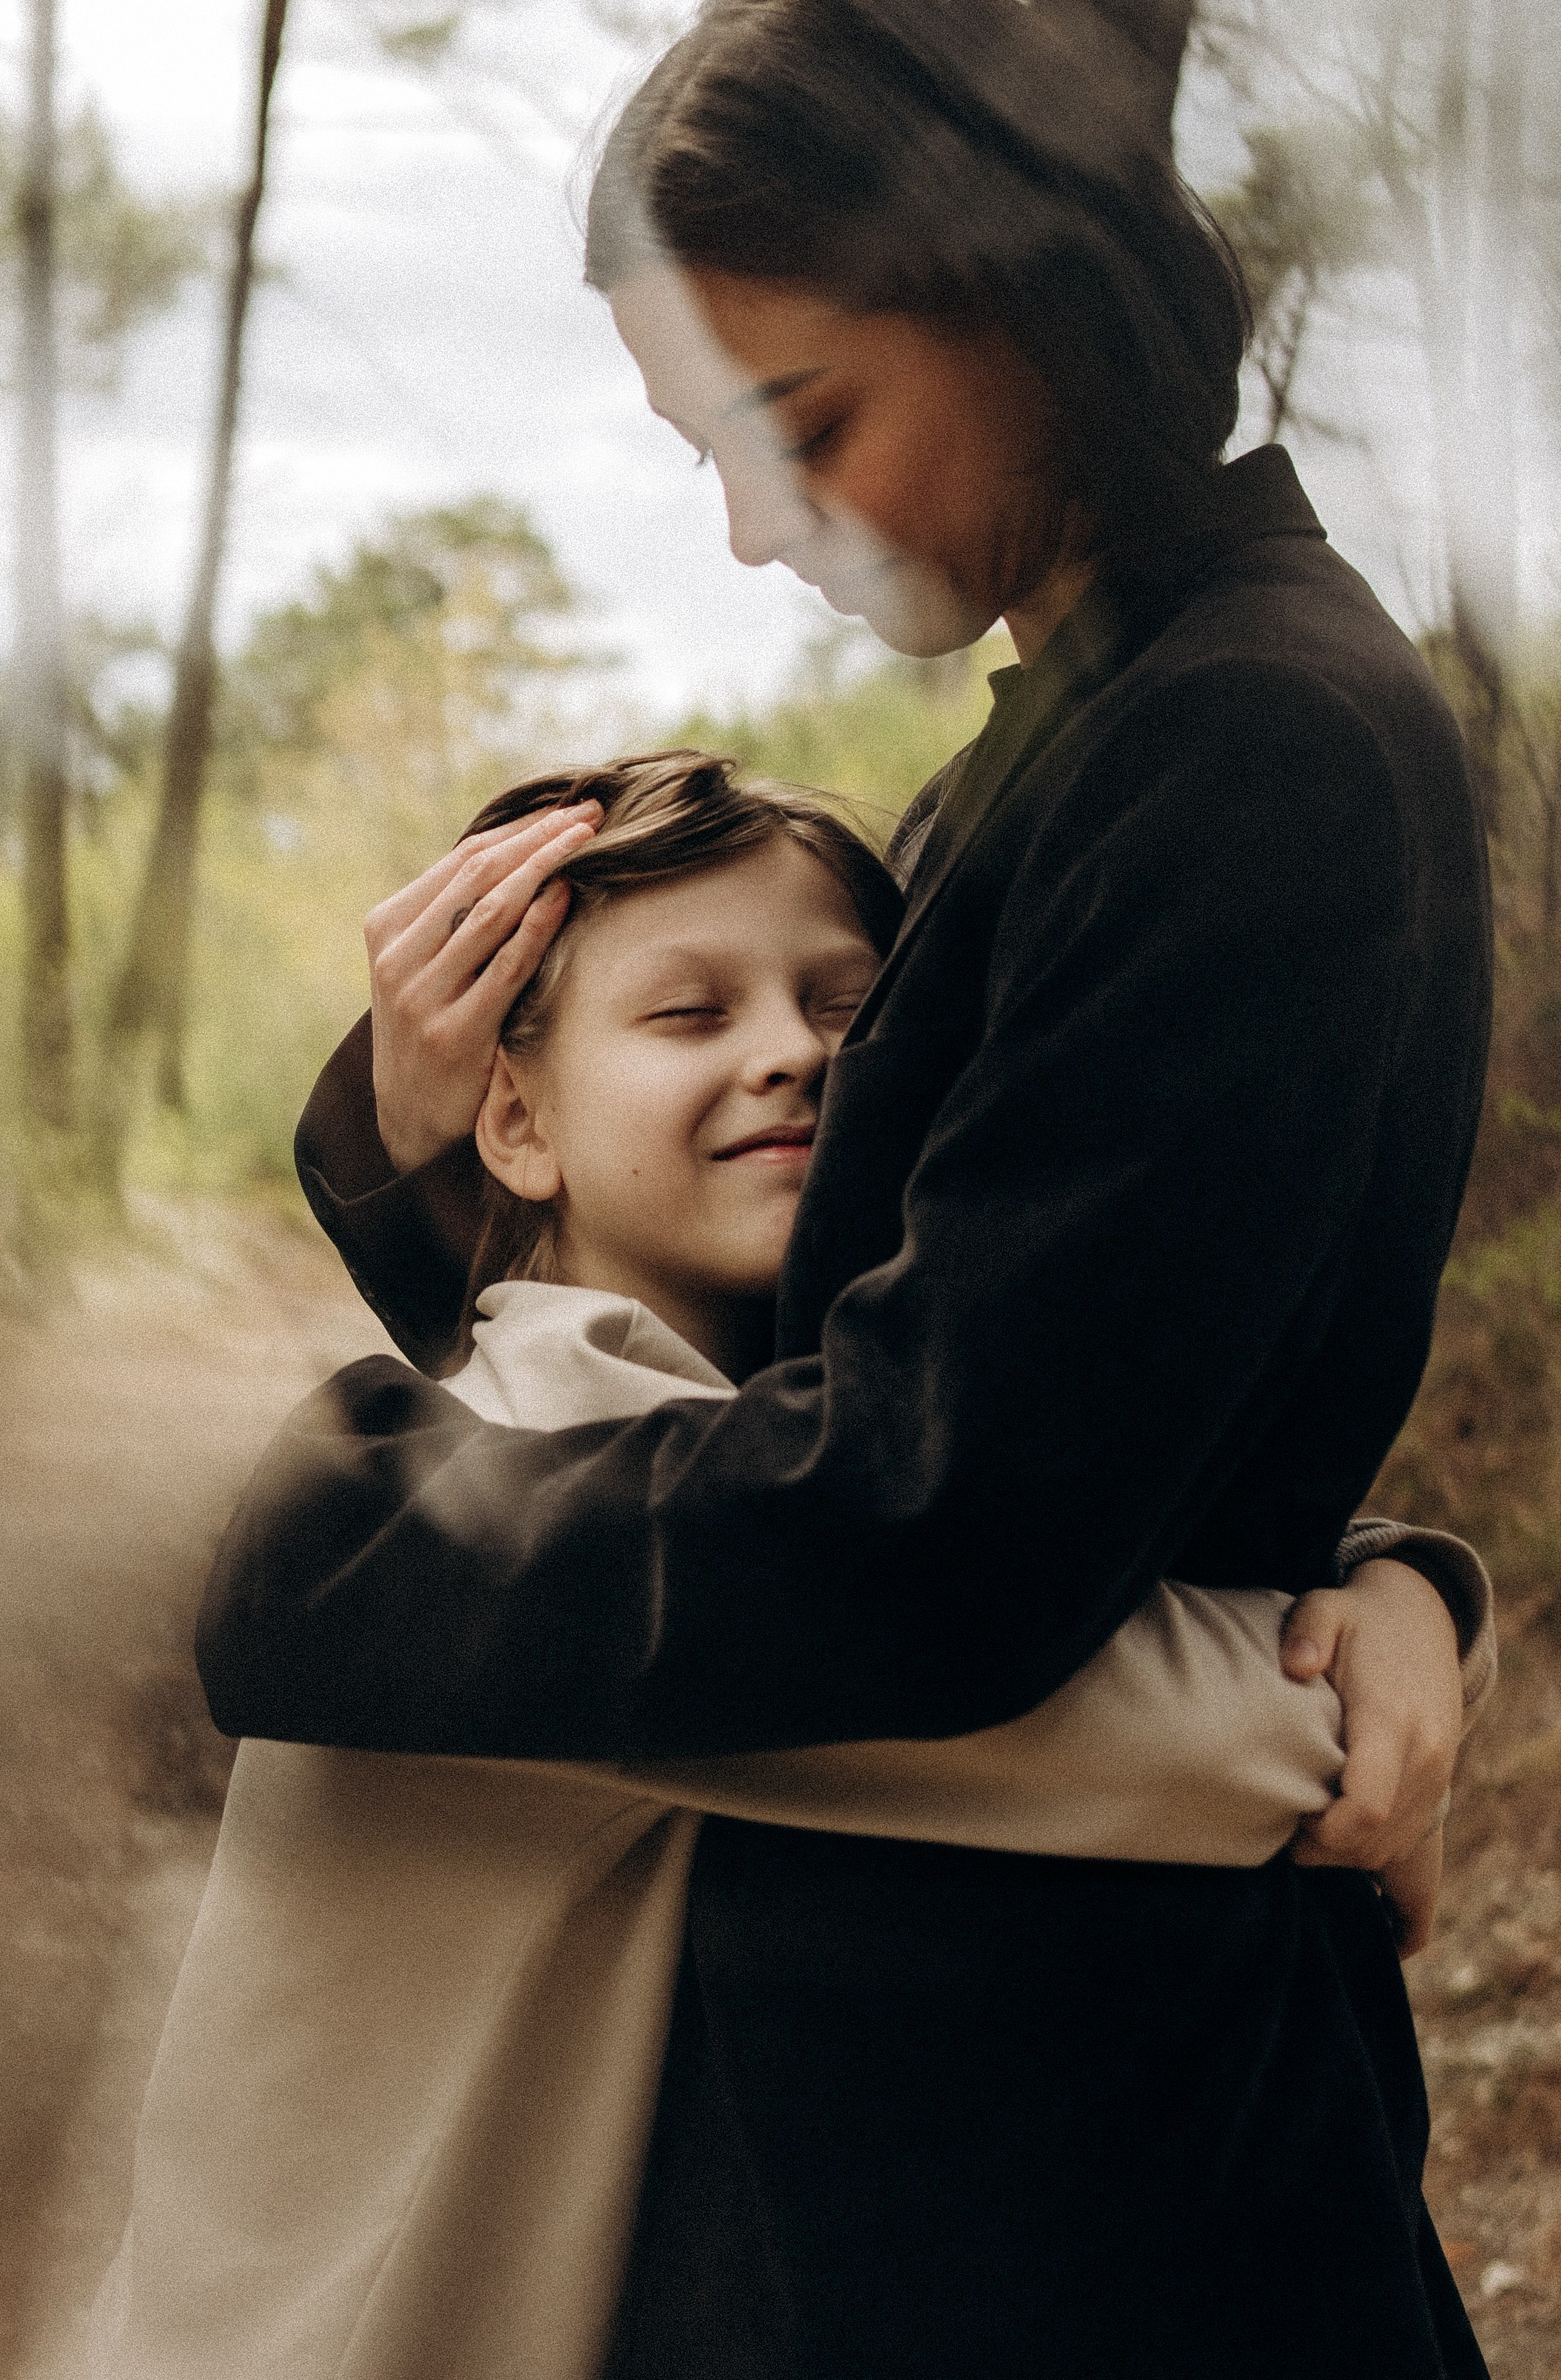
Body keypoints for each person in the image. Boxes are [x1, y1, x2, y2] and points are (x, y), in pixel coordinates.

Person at [199, 0, 1497, 2377]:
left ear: (1021, 294)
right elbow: (861, 1349)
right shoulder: (1087, 727)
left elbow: (926, 1524)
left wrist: (348, 1544)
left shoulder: (1248, 744)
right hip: (971, 2118)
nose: (751, 525)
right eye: (709, 446)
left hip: (1097, 2181)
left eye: (796, 418)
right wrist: (398, 1143)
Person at [94, 754, 1471, 2380]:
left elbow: (951, 1508)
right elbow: (1035, 1693)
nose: (794, 1055)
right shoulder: (534, 1471)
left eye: (850, 1008)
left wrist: (1393, 1574)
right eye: (690, 1014)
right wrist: (1391, 1634)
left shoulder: (768, 1440)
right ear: (517, 1119)